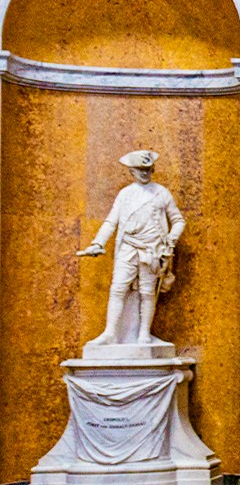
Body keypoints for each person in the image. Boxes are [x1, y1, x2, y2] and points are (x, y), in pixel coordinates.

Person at [76, 149, 185, 347]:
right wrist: (97, 243)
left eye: (147, 169)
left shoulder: (161, 193)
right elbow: (111, 222)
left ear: (152, 169)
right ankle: (110, 333)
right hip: (128, 248)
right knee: (118, 289)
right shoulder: (125, 194)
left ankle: (144, 334)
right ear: (131, 172)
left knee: (147, 292)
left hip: (151, 250)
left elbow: (178, 220)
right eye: (139, 170)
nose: (144, 173)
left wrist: (171, 240)